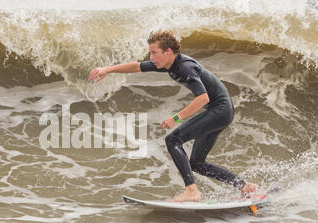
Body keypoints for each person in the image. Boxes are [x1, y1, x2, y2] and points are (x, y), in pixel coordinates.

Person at [89, 30, 259, 202]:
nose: (151, 57)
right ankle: (245, 186)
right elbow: (136, 66)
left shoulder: (184, 67)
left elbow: (203, 98)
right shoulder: (168, 63)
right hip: (221, 112)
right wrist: (107, 69)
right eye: (150, 52)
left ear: (168, 51)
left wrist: (175, 118)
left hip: (219, 110)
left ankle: (191, 191)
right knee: (197, 164)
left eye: (154, 52)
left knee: (173, 140)